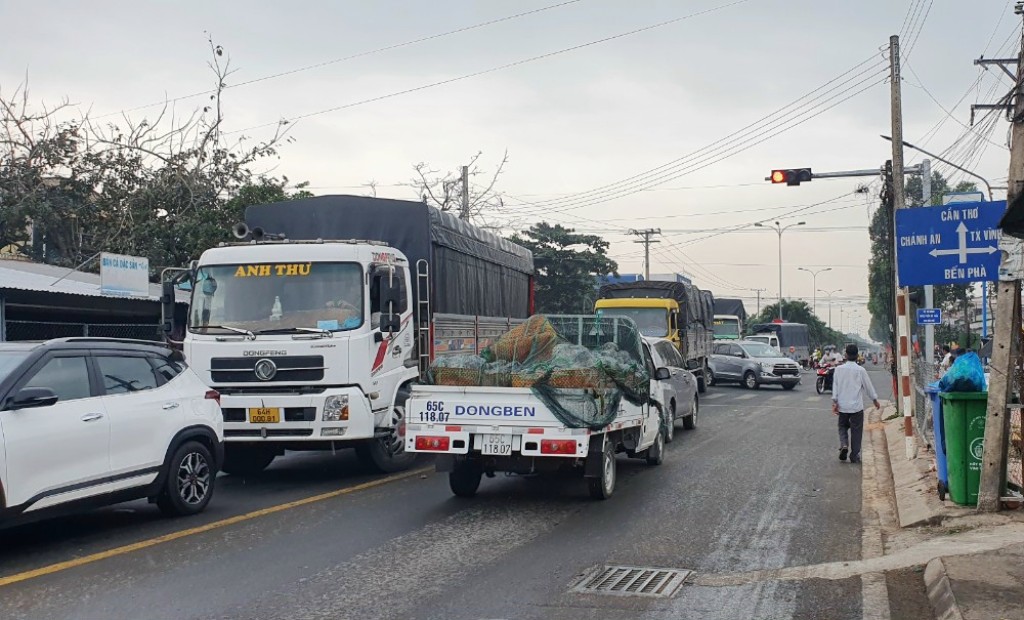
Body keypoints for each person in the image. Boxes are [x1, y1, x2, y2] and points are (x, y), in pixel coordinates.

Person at [831, 343, 881, 464]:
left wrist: (835, 402)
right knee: (856, 431)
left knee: (842, 427)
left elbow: (835, 387)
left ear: (846, 355)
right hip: (856, 408)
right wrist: (875, 400)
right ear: (857, 355)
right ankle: (854, 455)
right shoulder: (860, 370)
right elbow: (868, 387)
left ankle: (844, 444)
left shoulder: (838, 369)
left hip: (842, 406)